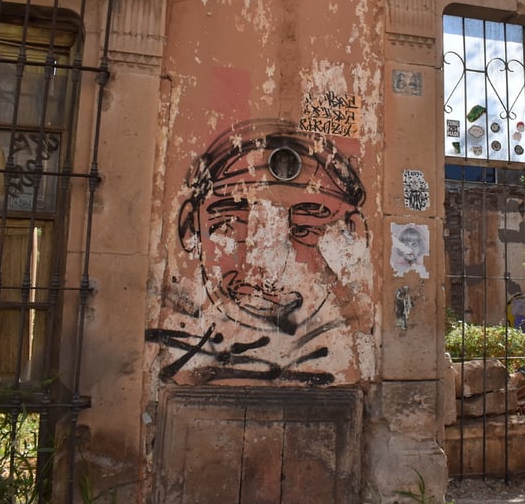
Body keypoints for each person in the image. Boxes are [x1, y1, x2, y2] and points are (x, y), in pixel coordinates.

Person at [150, 120, 370, 385]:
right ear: (189, 227)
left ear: (353, 234)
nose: (266, 277)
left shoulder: (357, 349)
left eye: (305, 228)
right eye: (228, 226)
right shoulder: (175, 349)